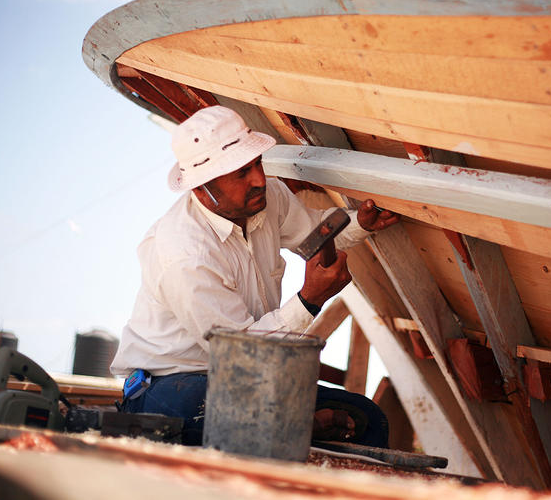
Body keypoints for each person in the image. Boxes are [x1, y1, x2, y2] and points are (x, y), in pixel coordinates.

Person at [110, 105, 399, 446]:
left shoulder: (266, 197)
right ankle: (292, 426)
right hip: (169, 387)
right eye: (241, 173)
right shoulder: (184, 254)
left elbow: (315, 232)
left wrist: (359, 223)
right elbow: (242, 354)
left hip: (245, 379)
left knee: (365, 419)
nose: (259, 180)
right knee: (232, 416)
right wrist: (310, 300)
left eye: (257, 164)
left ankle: (292, 427)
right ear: (203, 188)